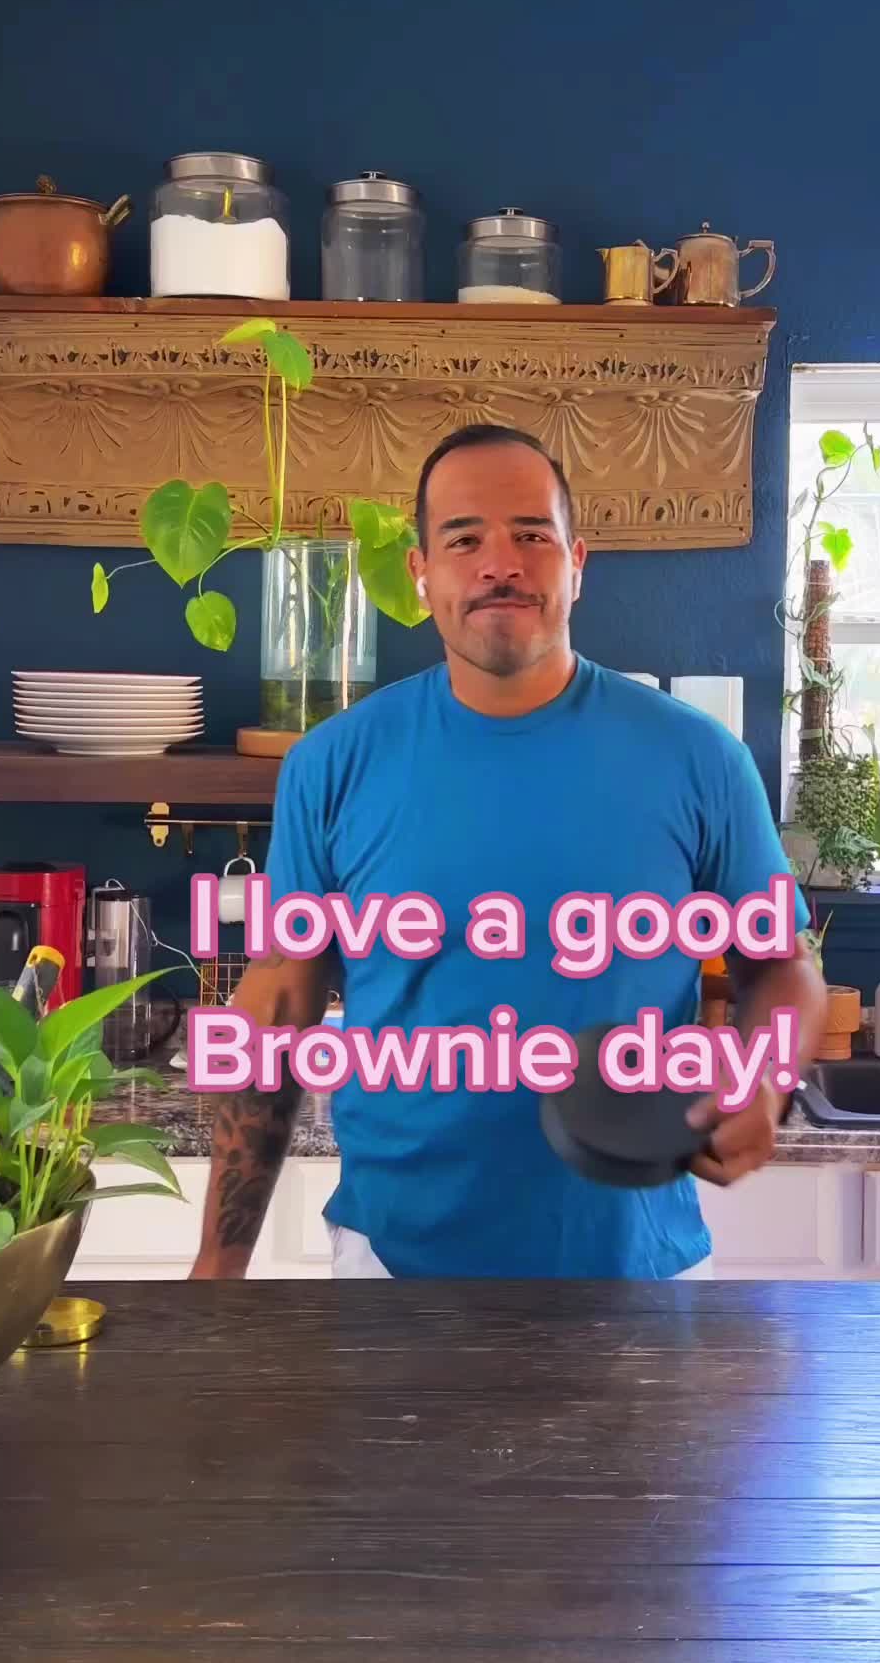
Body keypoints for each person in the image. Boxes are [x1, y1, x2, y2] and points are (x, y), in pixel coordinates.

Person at [190, 425, 825, 1282]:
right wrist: (217, 1264)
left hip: (640, 1269)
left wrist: (765, 1076)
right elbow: (279, 1006)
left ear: (577, 564)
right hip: (390, 1269)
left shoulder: (700, 759)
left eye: (533, 534)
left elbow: (782, 966)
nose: (501, 564)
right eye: (464, 540)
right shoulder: (332, 765)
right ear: (421, 573)